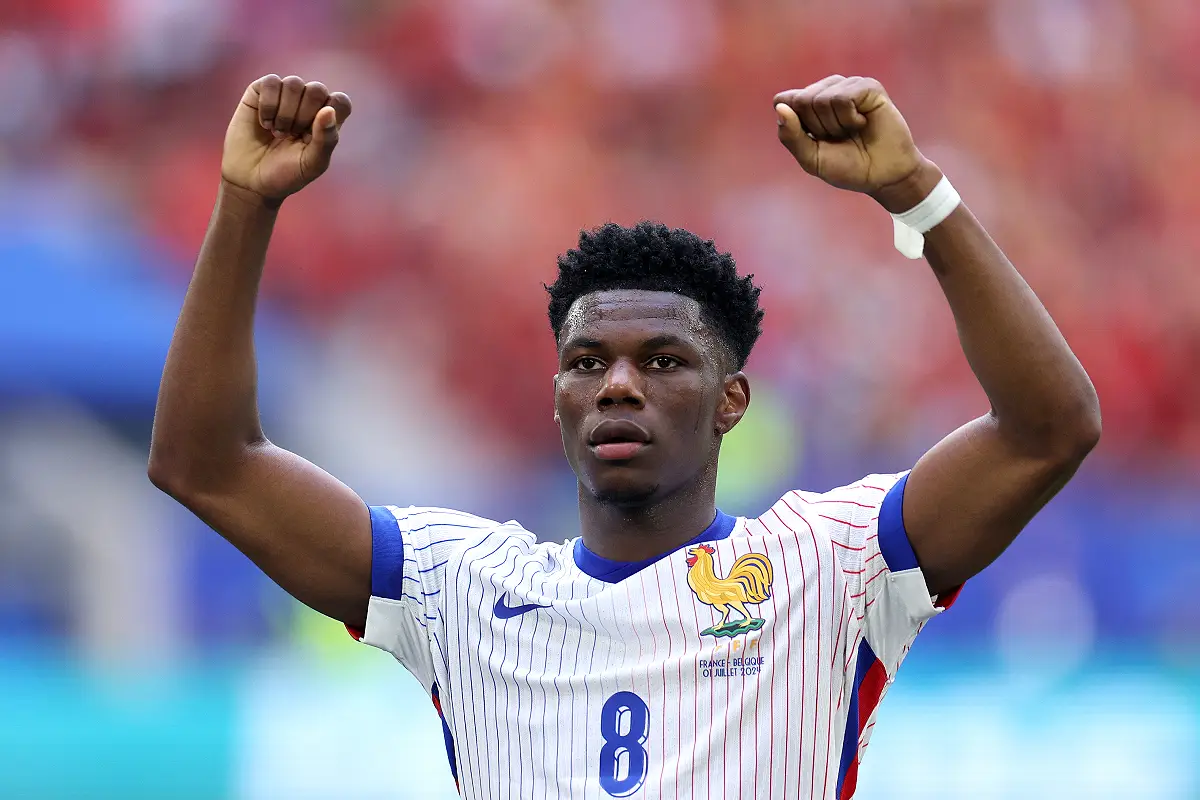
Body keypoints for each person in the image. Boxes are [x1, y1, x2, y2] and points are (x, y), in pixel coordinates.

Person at [149, 72, 1101, 799]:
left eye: (663, 362)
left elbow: (1048, 429)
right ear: (557, 397)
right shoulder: (460, 585)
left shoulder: (830, 562)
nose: (617, 386)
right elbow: (205, 465)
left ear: (732, 402)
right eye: (586, 362)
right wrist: (246, 202)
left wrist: (919, 197)